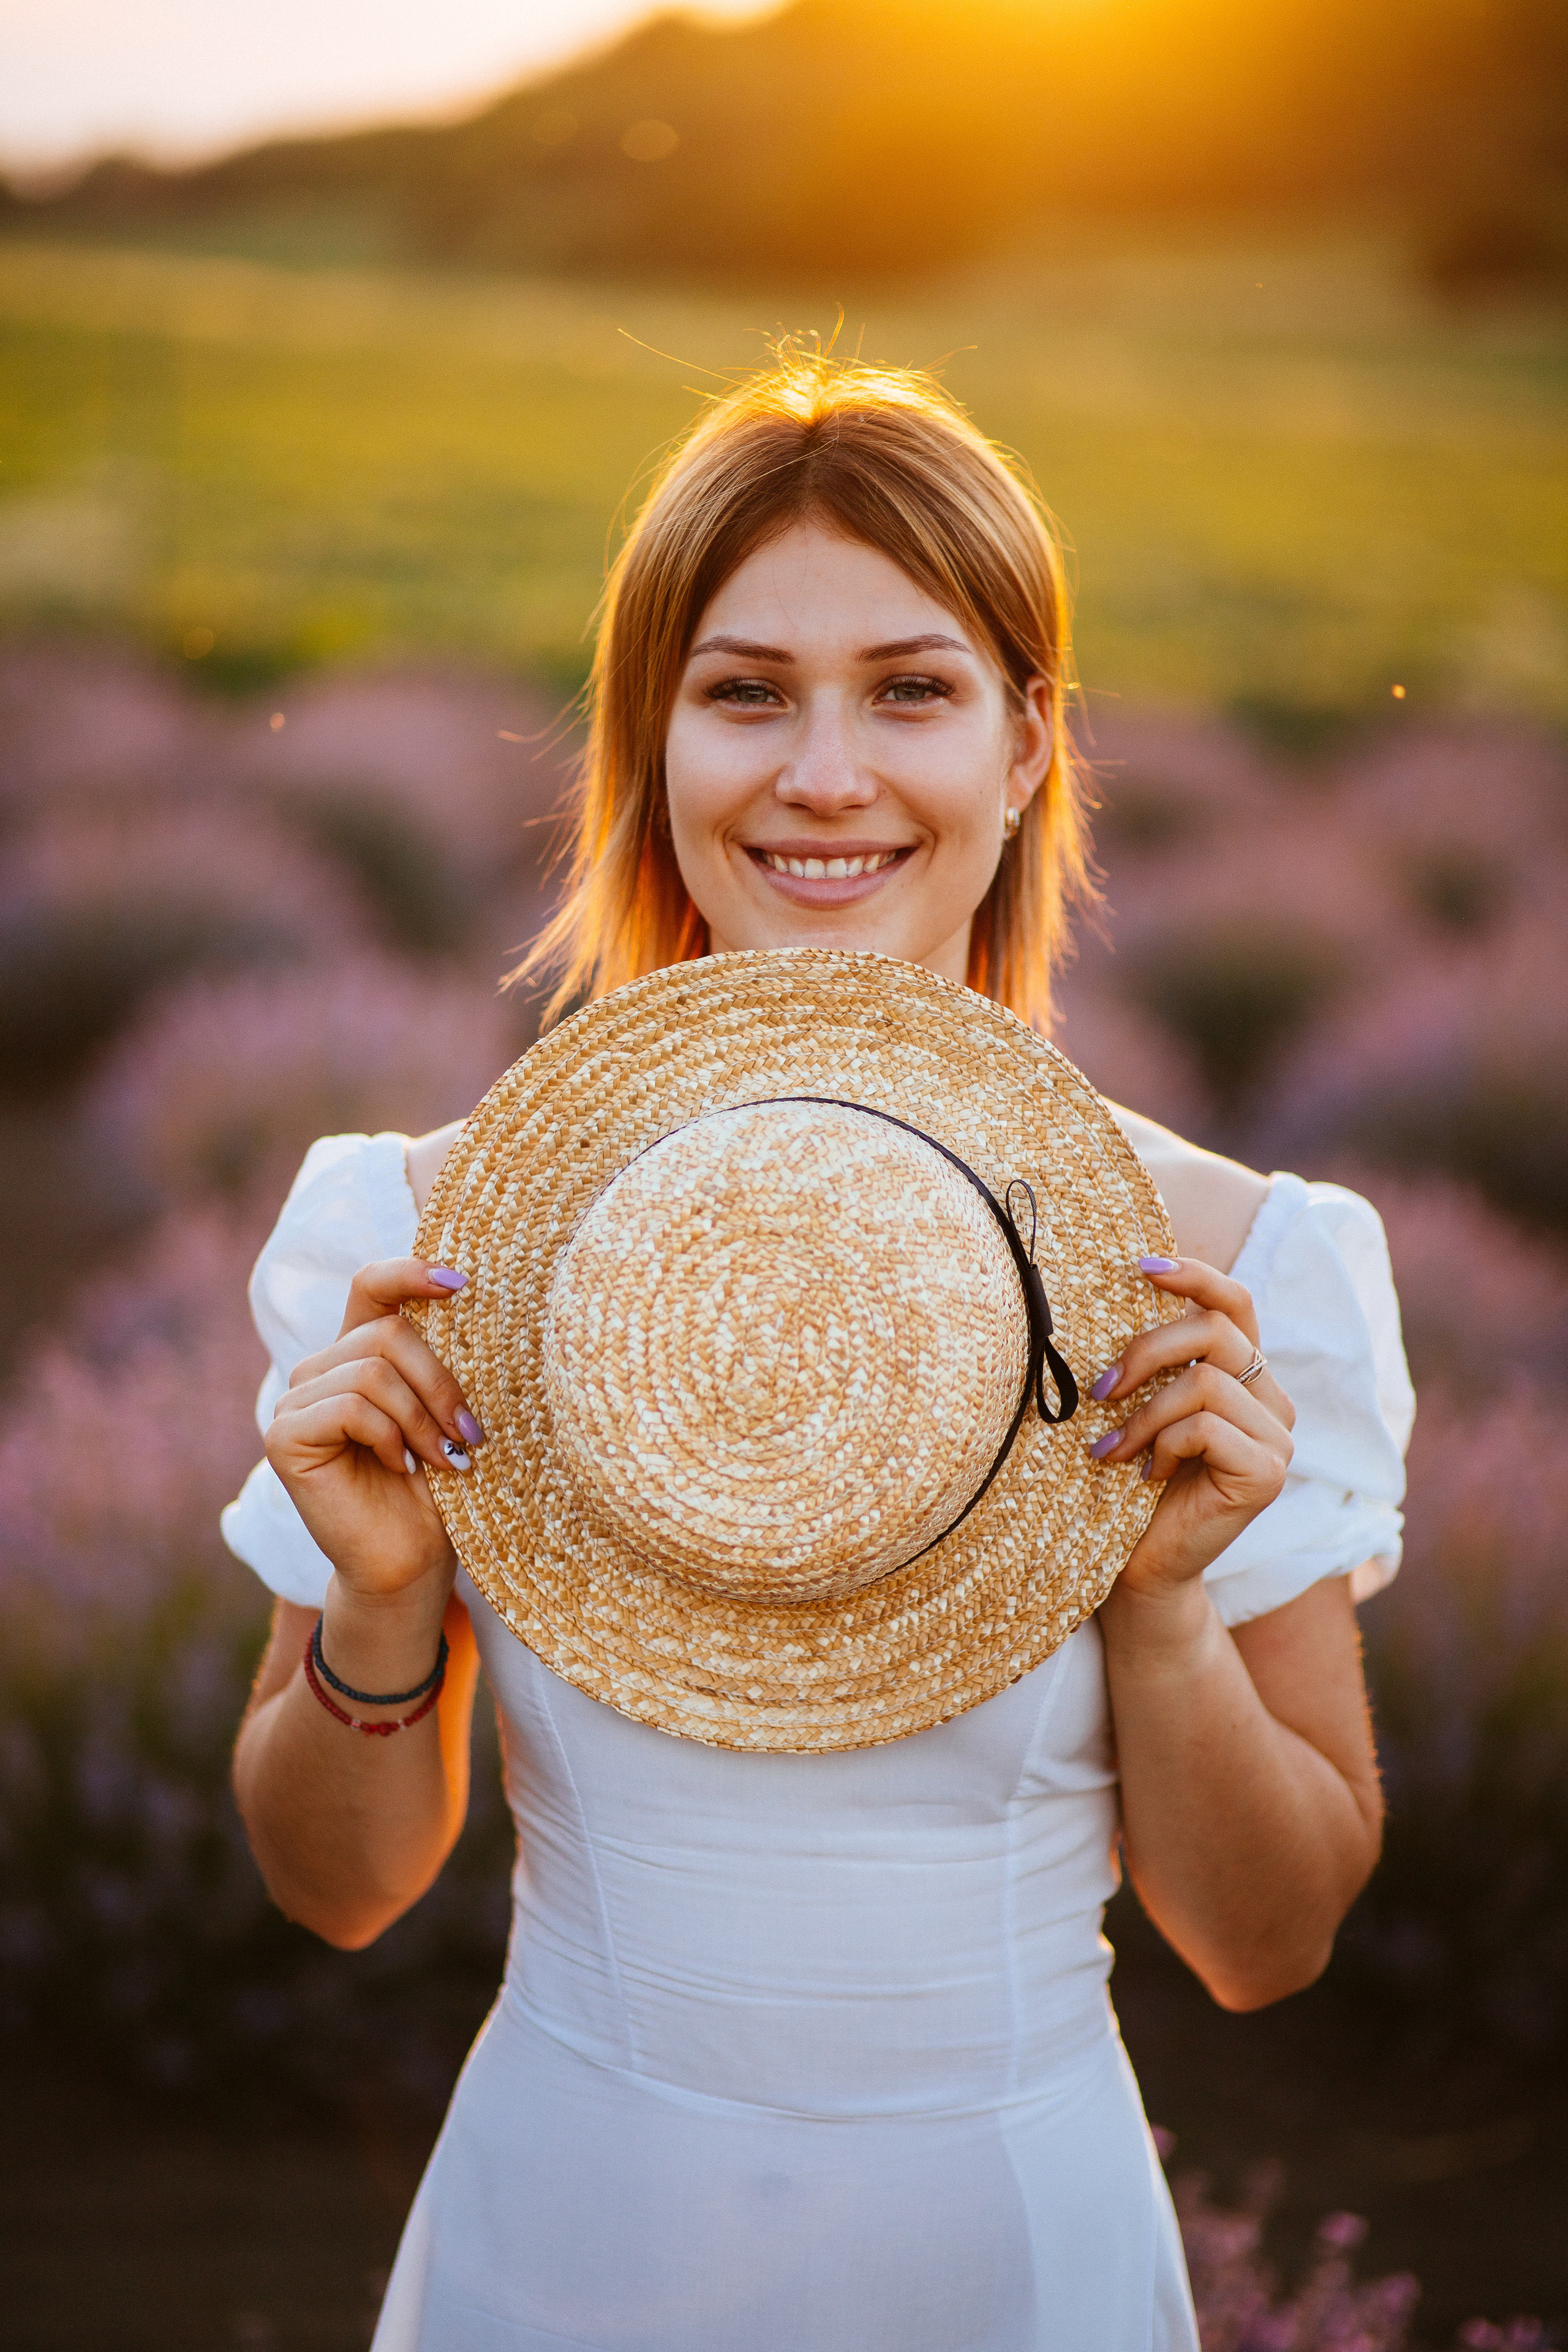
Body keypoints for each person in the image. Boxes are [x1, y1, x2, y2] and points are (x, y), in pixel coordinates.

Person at [225, 353, 1413, 2351]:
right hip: (561, 2241)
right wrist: (382, 1595)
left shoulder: (1227, 1269)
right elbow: (333, 1889)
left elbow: (1267, 1945)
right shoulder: (419, 1242)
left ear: (1029, 746)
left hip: (1008, 2264)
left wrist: (1161, 1609)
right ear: (653, 744)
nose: (826, 776)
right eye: (748, 692)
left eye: (912, 690)